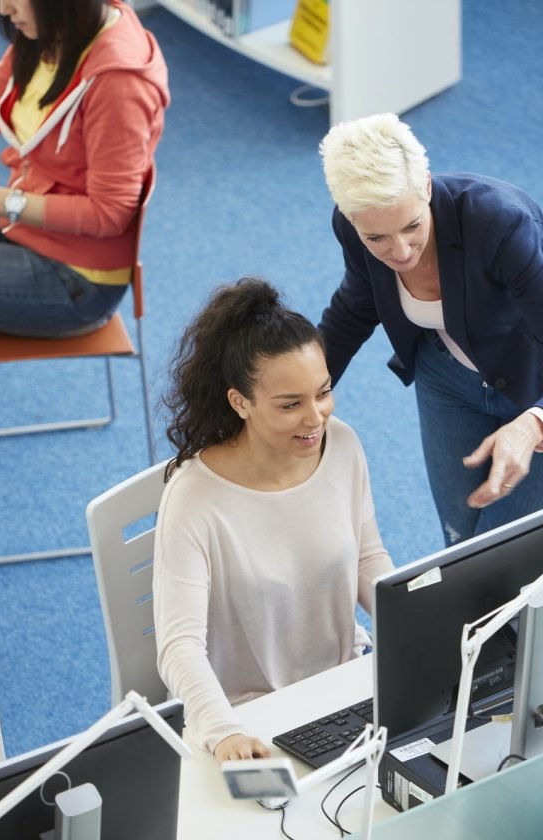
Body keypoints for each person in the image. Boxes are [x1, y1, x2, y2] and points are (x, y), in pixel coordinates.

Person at [0, 0, 169, 524]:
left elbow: (112, 213)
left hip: (74, 283)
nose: (5, 8)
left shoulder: (119, 81)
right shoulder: (46, 34)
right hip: (25, 235)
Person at [318, 113, 543, 546]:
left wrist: (531, 426)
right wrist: (299, 395)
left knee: (509, 558)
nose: (399, 251)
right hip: (446, 379)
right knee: (459, 544)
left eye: (412, 225)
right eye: (377, 238)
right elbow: (354, 311)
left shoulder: (499, 224)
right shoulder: (352, 228)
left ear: (427, 187)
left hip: (542, 382)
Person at [153, 277, 393, 761]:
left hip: (346, 690)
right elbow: (178, 645)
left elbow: (368, 557)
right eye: (290, 405)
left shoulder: (341, 444)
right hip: (251, 718)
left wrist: (418, 627)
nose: (315, 418)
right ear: (240, 402)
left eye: (322, 393)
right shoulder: (194, 498)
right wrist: (224, 731)